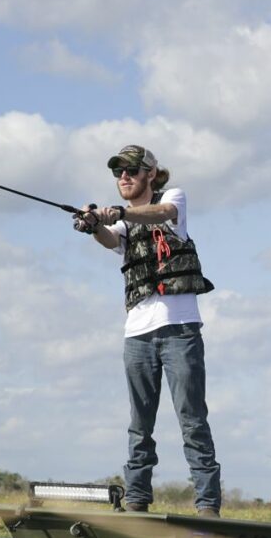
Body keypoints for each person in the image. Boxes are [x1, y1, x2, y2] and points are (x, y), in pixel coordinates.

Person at [74, 145, 221, 516]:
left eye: (131, 171)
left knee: (192, 420)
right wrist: (94, 225)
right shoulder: (122, 222)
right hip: (136, 336)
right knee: (139, 425)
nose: (124, 177)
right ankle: (137, 500)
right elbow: (112, 238)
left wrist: (117, 213)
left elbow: (162, 213)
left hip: (180, 332)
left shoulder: (173, 198)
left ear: (150, 174)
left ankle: (207, 507)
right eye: (118, 172)